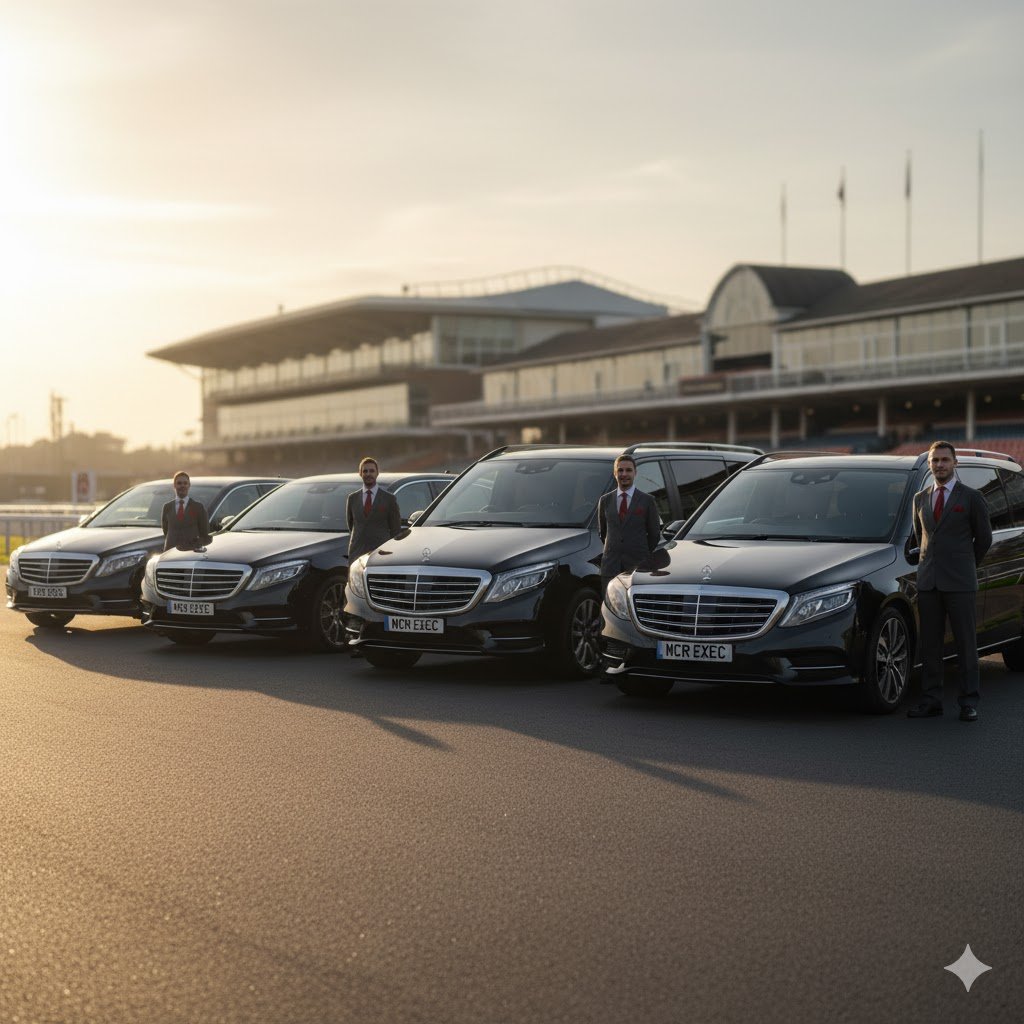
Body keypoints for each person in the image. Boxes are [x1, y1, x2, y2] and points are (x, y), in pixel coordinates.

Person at [907, 440, 992, 722]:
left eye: (945, 460)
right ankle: (932, 700)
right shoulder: (920, 498)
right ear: (929, 464)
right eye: (935, 460)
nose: (939, 465)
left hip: (960, 583)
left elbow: (984, 539)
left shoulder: (971, 497)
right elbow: (921, 539)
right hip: (929, 582)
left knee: (966, 645)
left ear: (955, 463)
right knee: (930, 645)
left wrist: (966, 566)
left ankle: (969, 702)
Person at [597, 454, 662, 588]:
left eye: (628, 470)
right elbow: (603, 533)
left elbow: (654, 535)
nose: (624, 474)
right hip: (610, 568)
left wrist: (639, 553)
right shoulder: (605, 501)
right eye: (620, 470)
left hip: (638, 568)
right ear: (615, 473)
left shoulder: (647, 501)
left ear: (635, 473)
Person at [346, 457, 401, 561]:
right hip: (356, 554)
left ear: (377, 473)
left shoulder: (389, 499)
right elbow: (351, 525)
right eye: (365, 471)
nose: (368, 474)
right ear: (360, 474)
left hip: (381, 554)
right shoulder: (352, 498)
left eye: (372, 471)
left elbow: (395, 530)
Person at [161, 471, 212, 551]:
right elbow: (166, 531)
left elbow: (205, 534)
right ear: (174, 485)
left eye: (185, 483)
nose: (182, 486)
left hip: (190, 554)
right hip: (170, 553)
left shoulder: (198, 507)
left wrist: (196, 545)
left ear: (189, 485)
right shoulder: (167, 507)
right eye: (179, 483)